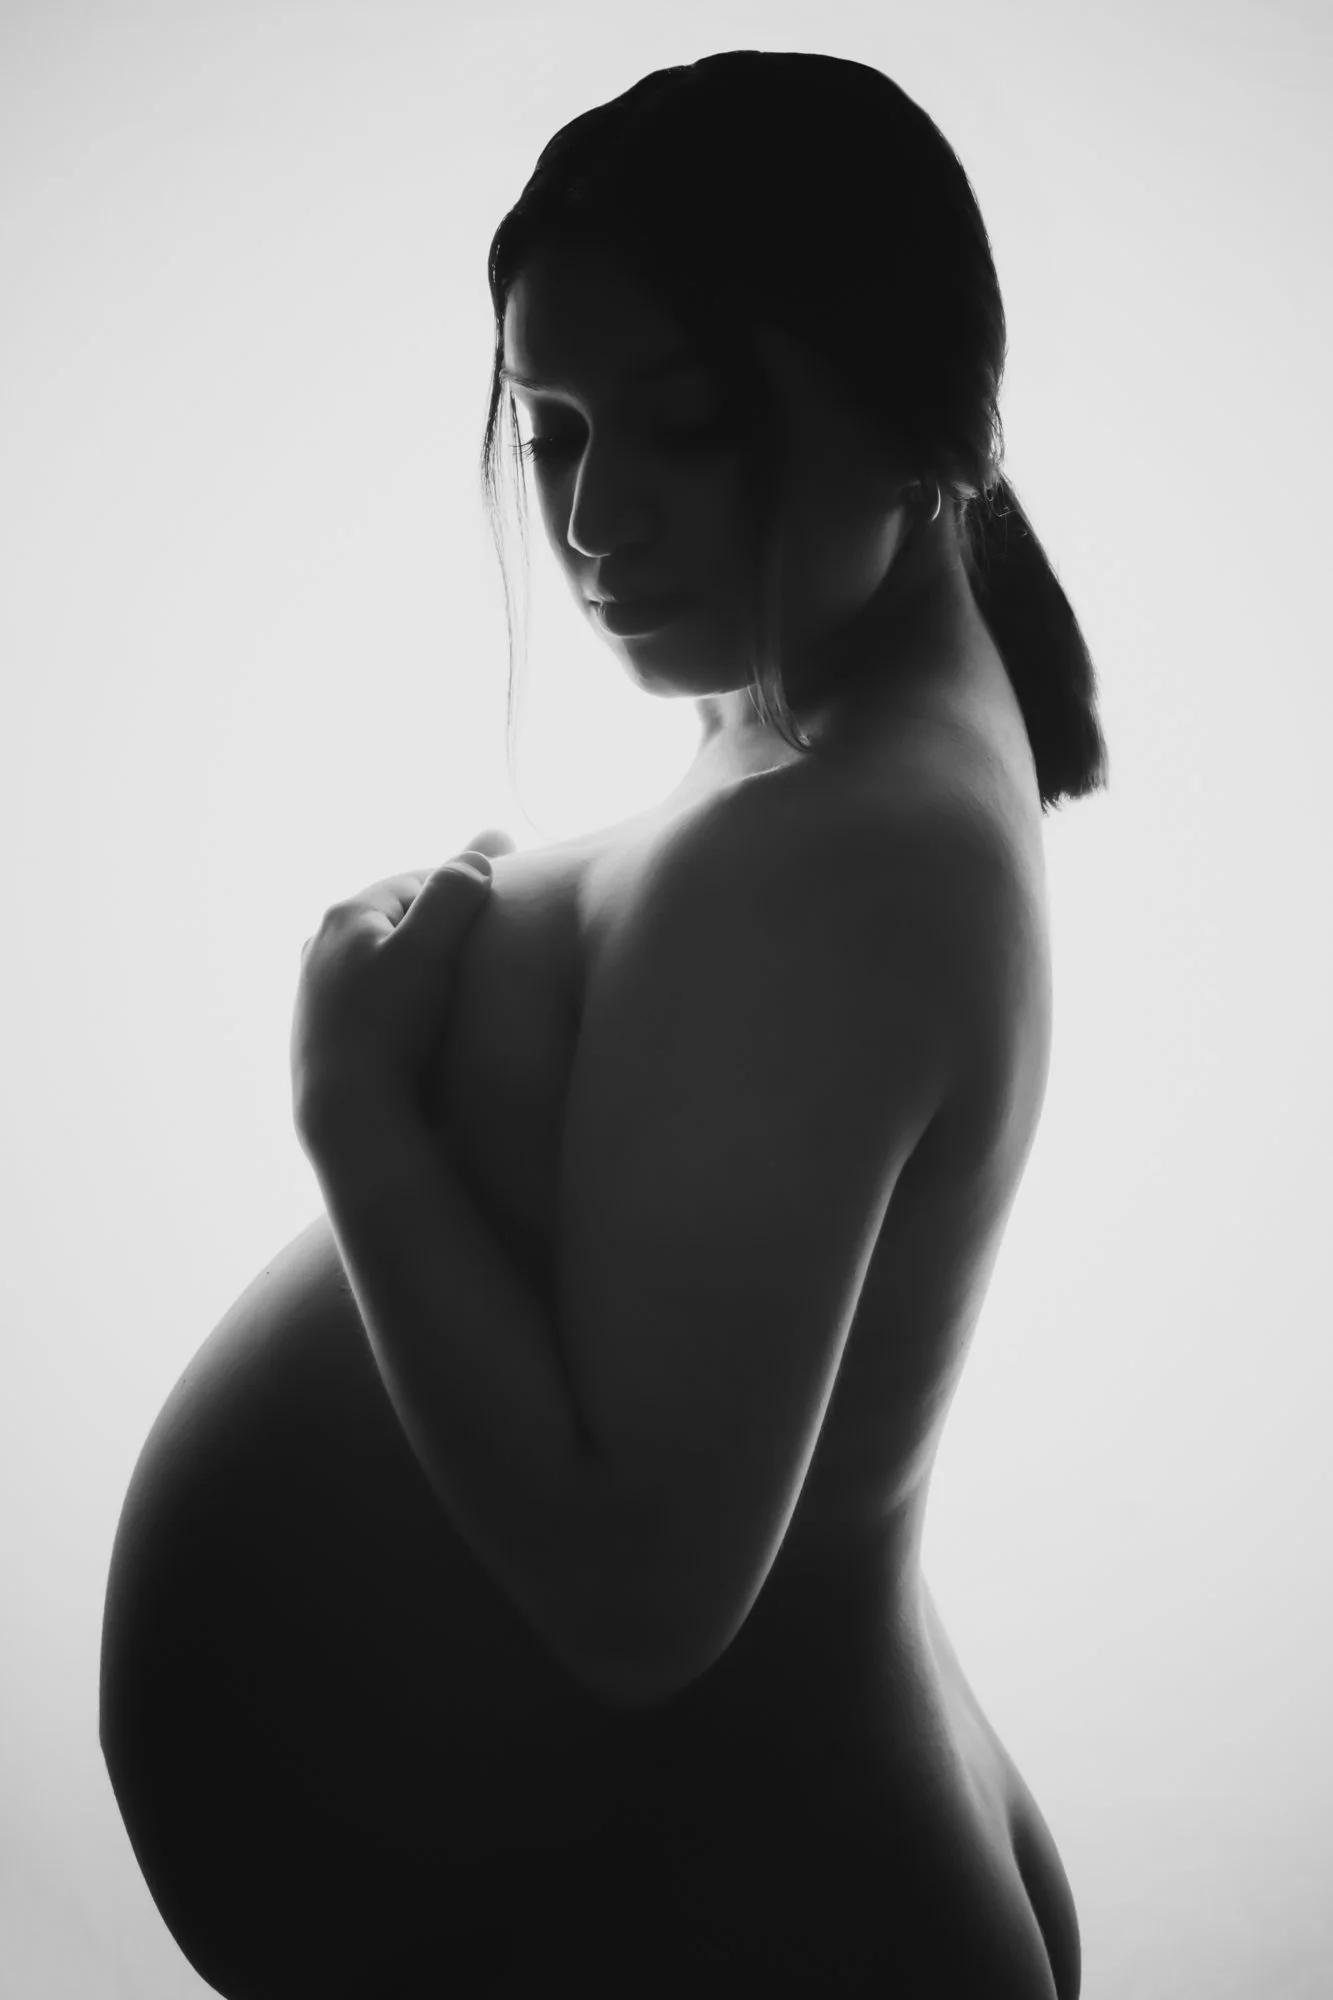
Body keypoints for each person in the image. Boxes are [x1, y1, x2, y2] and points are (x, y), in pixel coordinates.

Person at [101, 52, 1105, 1996]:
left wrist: (355, 1115)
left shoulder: (833, 851)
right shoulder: (864, 700)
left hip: (761, 1903)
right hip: (784, 1845)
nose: (596, 515)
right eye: (553, 430)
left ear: (916, 425)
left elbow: (641, 1604)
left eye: (690, 427)